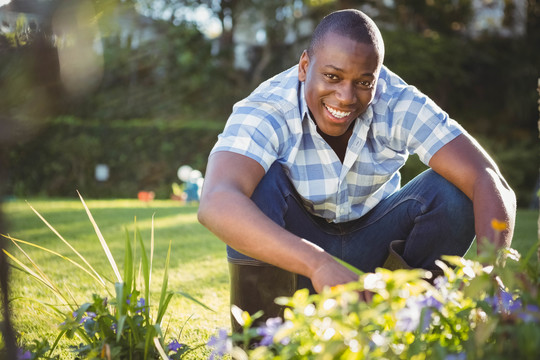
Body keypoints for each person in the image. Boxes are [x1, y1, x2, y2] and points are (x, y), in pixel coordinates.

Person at [197, 9, 516, 332]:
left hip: (375, 258)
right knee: (255, 188)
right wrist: (318, 263)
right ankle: (264, 342)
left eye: (363, 82)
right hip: (292, 265)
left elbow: (488, 179)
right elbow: (216, 202)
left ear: (377, 78)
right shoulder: (268, 107)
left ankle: (402, 327)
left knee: (453, 191)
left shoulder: (397, 101)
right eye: (332, 77)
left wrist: (490, 274)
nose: (346, 97)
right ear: (305, 67)